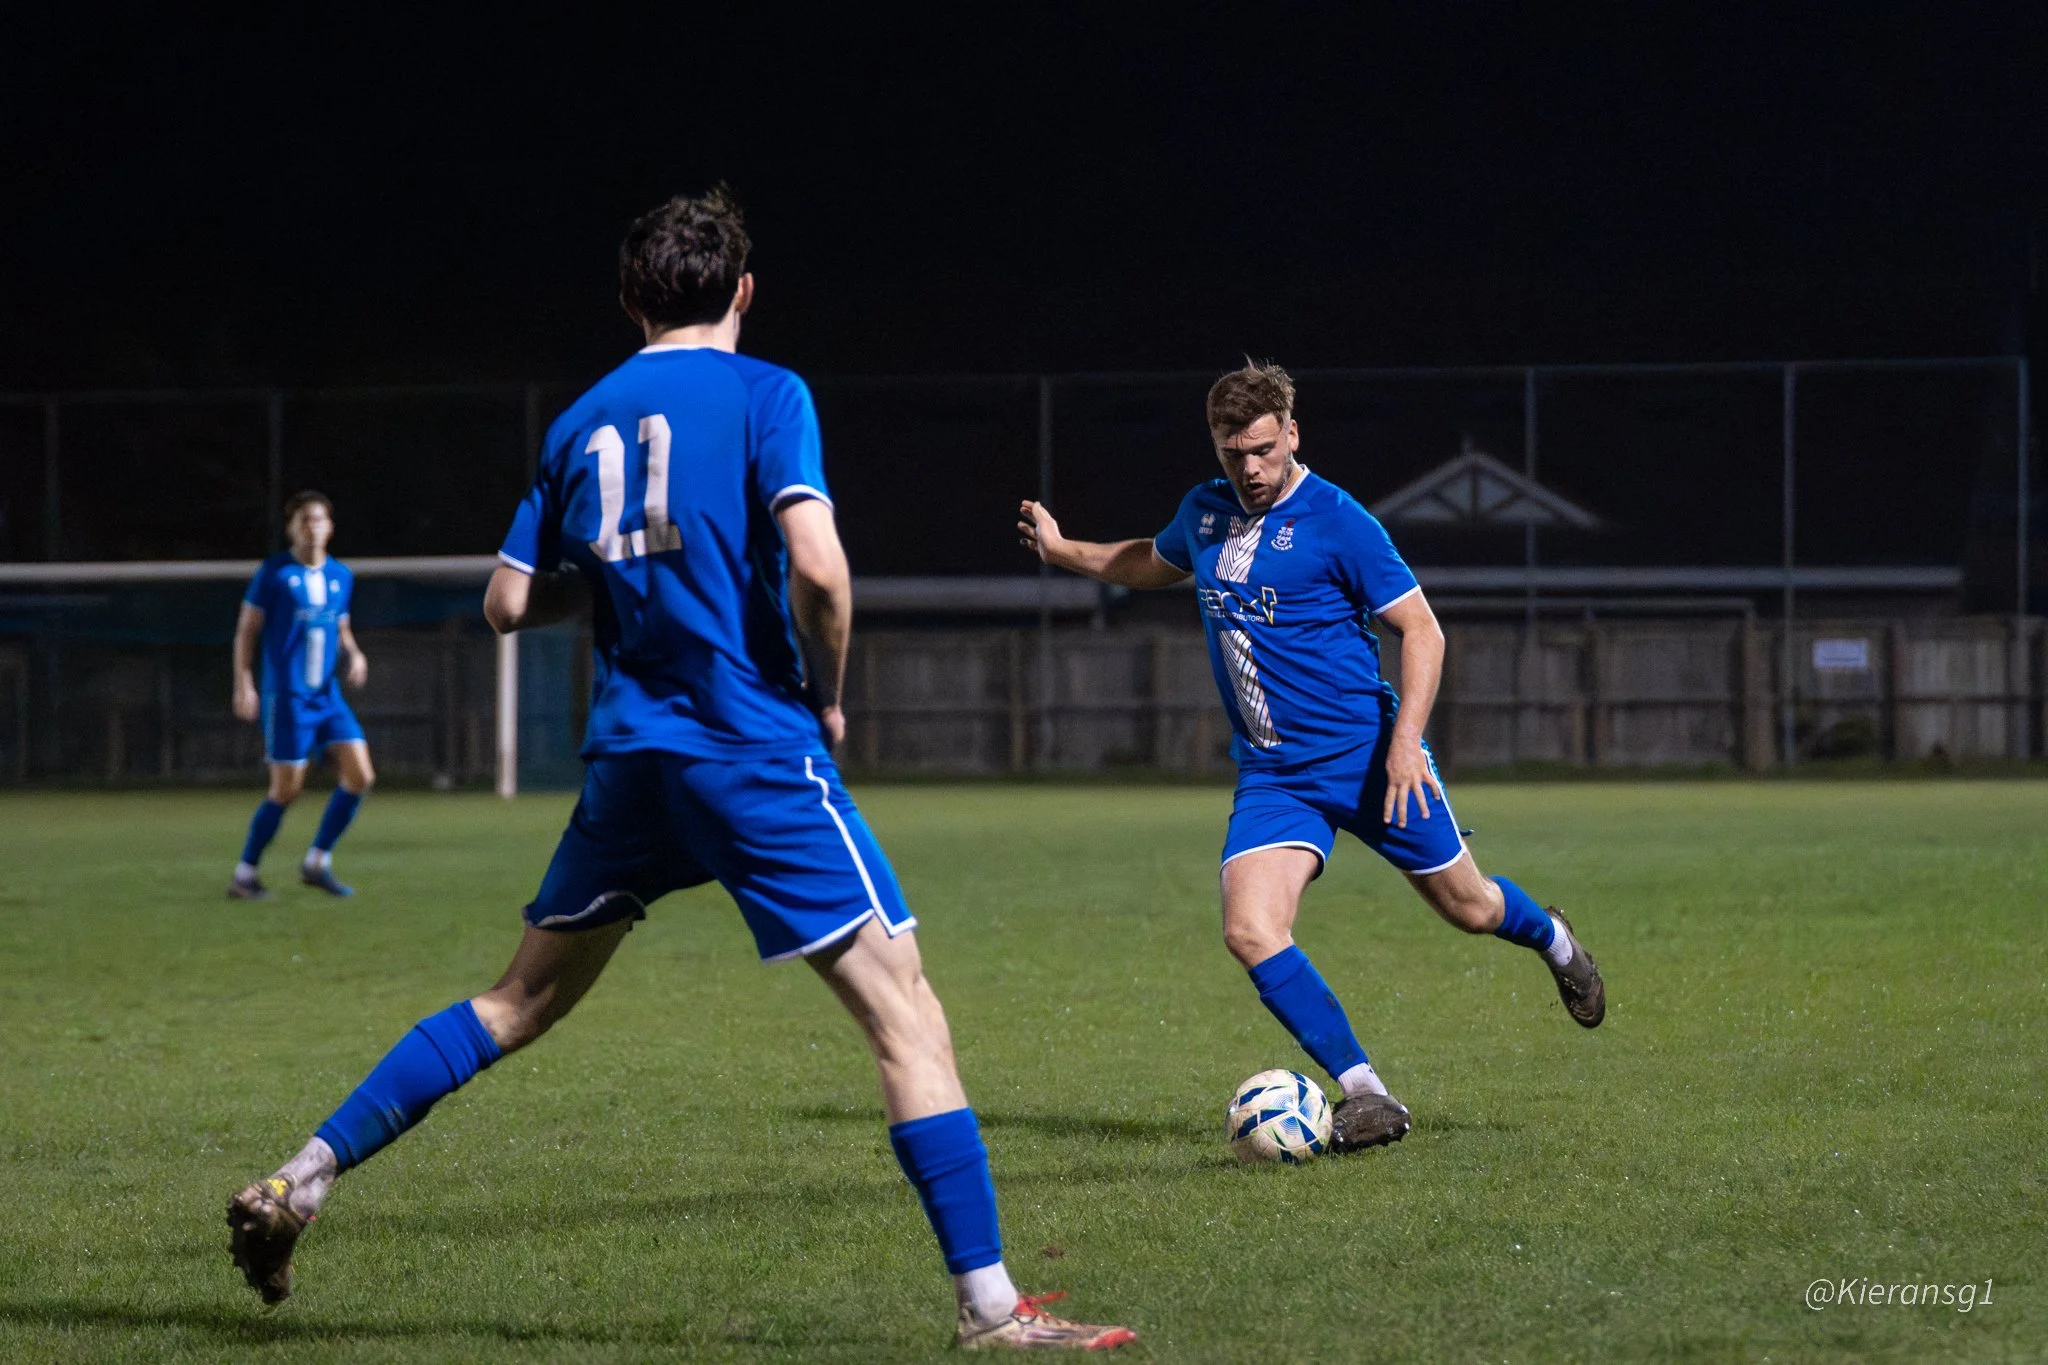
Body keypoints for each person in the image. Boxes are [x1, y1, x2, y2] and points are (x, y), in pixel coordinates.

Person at [225, 188, 1135, 1352]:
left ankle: (301, 1179)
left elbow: (506, 602)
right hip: (750, 746)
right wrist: (828, 686)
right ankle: (993, 1312)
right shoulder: (768, 393)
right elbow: (822, 572)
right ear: (743, 292)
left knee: (514, 1002)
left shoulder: (579, 422)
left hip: (630, 763)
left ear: (627, 300)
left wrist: (604, 580)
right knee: (908, 1016)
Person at [1017, 361, 1605, 1153]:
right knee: (1250, 927)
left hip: (1370, 760)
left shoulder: (1340, 520)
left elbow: (1424, 630)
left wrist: (1404, 748)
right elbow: (1148, 562)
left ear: (1293, 434)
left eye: (1263, 449)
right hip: (1274, 775)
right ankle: (1365, 1093)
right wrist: (1064, 552)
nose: (1251, 469)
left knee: (1470, 907)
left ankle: (1558, 943)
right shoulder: (1205, 514)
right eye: (1235, 455)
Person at [229, 491, 375, 899]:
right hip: (288, 697)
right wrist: (244, 682)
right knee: (287, 790)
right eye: (304, 520)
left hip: (327, 697)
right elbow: (247, 630)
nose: (313, 527)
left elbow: (340, 624)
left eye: (319, 520)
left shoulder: (340, 575)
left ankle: (317, 862)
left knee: (360, 776)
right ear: (292, 528)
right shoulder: (274, 574)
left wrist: (354, 652)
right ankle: (244, 874)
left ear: (330, 527)